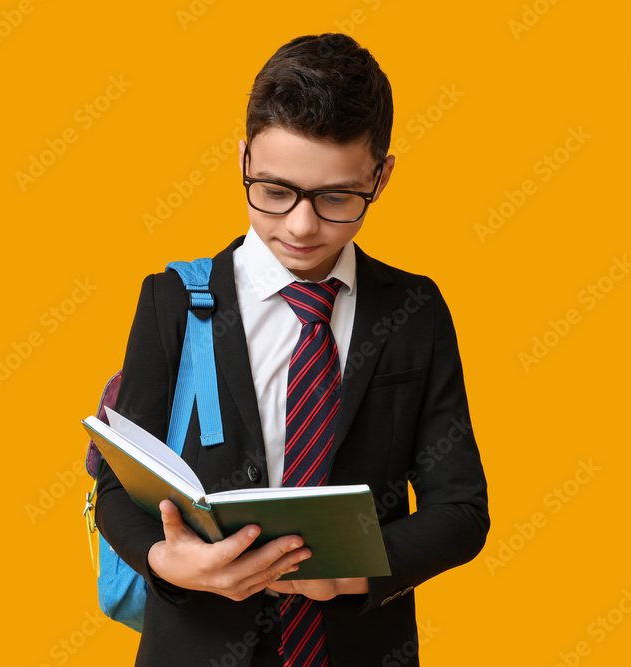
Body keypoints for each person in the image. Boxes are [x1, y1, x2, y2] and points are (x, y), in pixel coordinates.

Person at [95, 33, 489, 667]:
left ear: (381, 176)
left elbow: (461, 510)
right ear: (245, 159)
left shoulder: (414, 310)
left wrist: (354, 574)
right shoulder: (171, 300)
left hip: (360, 649)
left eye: (337, 198)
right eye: (275, 192)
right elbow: (117, 485)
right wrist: (165, 560)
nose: (302, 226)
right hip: (195, 647)